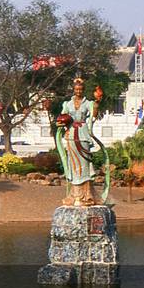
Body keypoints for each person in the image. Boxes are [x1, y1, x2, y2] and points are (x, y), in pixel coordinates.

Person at [54, 76, 102, 206]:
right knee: (73, 162)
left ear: (83, 90)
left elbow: (93, 115)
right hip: (70, 134)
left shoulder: (88, 103)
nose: (78, 91)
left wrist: (97, 102)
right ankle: (74, 195)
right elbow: (61, 118)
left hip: (83, 133)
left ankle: (87, 195)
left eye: (81, 89)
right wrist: (61, 123)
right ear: (73, 89)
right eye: (76, 89)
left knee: (85, 162)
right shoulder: (67, 104)